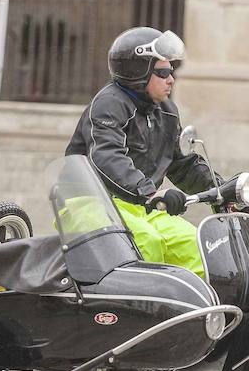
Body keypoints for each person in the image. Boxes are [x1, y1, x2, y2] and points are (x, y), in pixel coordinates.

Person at [65, 26, 219, 278]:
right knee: (146, 242)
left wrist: (222, 190)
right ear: (139, 72)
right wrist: (149, 192)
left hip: (141, 206)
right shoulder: (109, 104)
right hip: (90, 203)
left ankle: (201, 315)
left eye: (172, 71)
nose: (171, 78)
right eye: (163, 72)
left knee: (197, 245)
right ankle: (148, 314)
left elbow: (183, 165)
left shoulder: (166, 111)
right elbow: (107, 156)